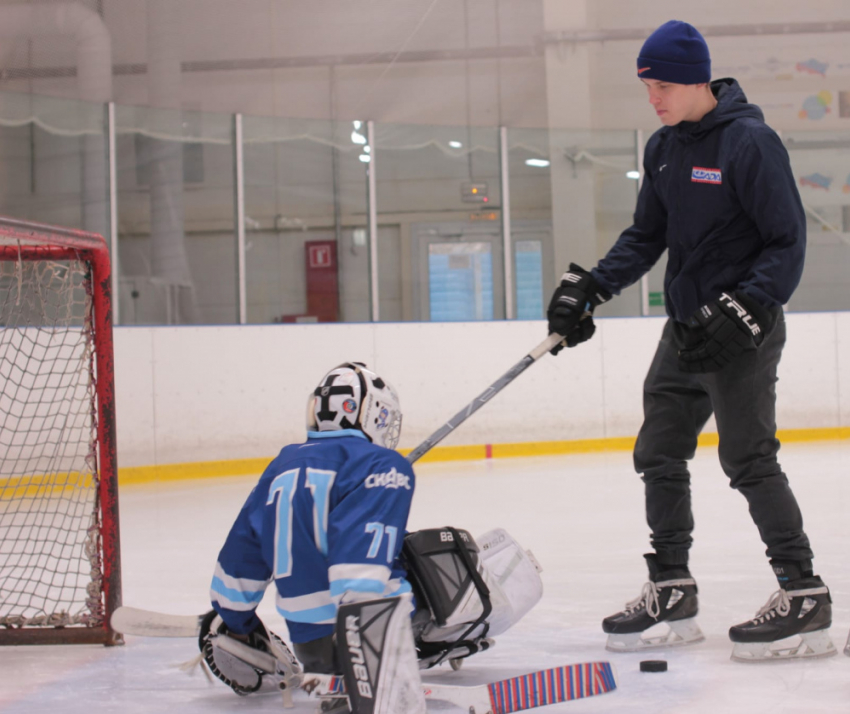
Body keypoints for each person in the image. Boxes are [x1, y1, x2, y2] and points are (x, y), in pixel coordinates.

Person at [545, 20, 835, 662]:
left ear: (699, 79)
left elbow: (788, 240)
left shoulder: (751, 143)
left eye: (665, 85)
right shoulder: (665, 148)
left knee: (748, 458)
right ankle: (671, 583)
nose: (654, 96)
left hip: (744, 329)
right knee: (658, 450)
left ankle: (803, 591)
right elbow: (648, 234)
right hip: (685, 328)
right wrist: (593, 285)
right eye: (648, 85)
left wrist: (749, 305)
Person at [198, 362, 543, 711]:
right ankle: (414, 653)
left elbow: (238, 566)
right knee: (452, 557)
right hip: (365, 641)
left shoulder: (282, 466)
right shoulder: (384, 465)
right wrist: (365, 670)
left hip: (309, 643)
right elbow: (357, 573)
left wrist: (237, 624)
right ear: (372, 414)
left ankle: (343, 670)